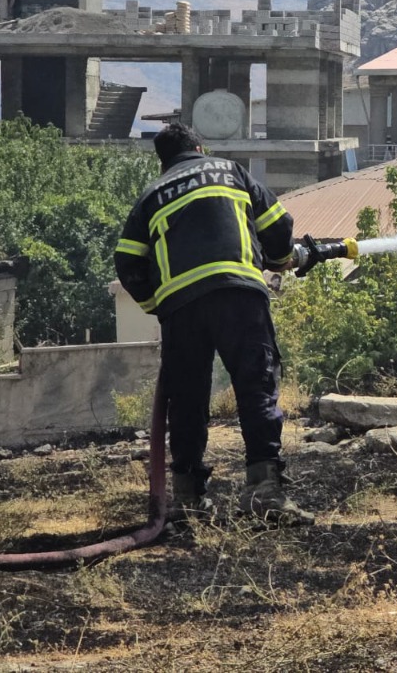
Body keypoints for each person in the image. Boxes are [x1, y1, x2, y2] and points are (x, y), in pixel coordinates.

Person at [114, 122, 310, 524]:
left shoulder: (150, 196)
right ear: (200, 147)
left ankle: (187, 500)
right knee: (255, 387)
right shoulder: (229, 171)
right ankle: (263, 491)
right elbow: (278, 226)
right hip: (238, 294)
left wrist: (158, 304)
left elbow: (127, 262)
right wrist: (277, 260)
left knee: (185, 400)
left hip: (181, 308)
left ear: (164, 161)